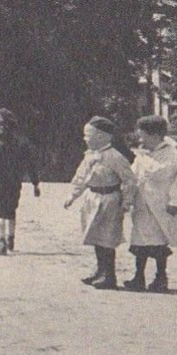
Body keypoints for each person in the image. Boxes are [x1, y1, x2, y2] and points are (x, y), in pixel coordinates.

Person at [63, 116, 136, 290]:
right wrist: (72, 196)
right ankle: (100, 270)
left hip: (109, 200)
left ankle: (110, 276)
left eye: (89, 135)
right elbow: (81, 177)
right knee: (95, 235)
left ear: (103, 136)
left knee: (107, 238)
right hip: (92, 197)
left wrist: (126, 202)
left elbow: (129, 181)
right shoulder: (90, 156)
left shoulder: (115, 157)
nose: (85, 139)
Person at [125, 115, 177, 292]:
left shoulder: (172, 155)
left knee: (158, 240)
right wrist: (128, 198)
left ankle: (161, 278)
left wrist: (174, 200)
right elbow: (133, 176)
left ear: (154, 135)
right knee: (139, 240)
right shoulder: (142, 155)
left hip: (160, 205)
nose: (140, 139)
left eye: (143, 135)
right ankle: (138, 277)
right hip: (142, 204)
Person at [0, 108, 39, 255]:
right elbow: (31, 166)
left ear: (2, 128)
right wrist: (35, 183)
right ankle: (11, 237)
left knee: (0, 212)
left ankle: (1, 240)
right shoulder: (23, 146)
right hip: (15, 185)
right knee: (11, 211)